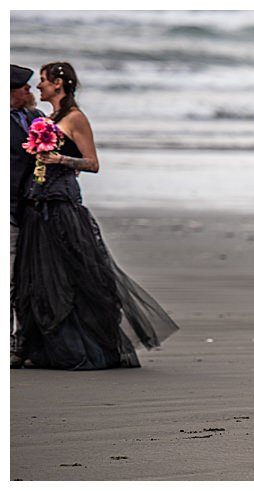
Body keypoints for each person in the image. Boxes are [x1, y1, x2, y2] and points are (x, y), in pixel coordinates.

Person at [12, 62, 178, 370]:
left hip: (62, 203)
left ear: (59, 84)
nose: (38, 87)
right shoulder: (47, 118)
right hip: (38, 203)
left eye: (44, 81)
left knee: (75, 275)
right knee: (41, 279)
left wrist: (58, 158)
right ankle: (42, 346)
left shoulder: (75, 118)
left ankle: (80, 346)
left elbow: (92, 163)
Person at [10, 64, 44, 369]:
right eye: (23, 88)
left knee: (27, 278)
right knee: (9, 278)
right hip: (9, 208)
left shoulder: (36, 118)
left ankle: (24, 341)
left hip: (33, 208)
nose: (29, 91)